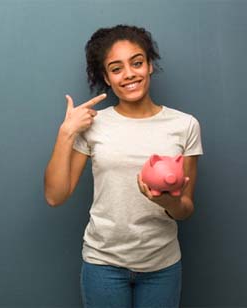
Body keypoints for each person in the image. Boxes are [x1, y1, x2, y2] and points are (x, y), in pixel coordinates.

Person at [44, 24, 203, 308]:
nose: (129, 74)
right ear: (106, 77)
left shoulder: (185, 125)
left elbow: (185, 210)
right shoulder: (93, 125)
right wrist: (66, 132)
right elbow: (55, 196)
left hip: (162, 266)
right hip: (103, 265)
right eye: (116, 69)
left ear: (150, 66)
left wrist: (169, 201)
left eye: (137, 63)